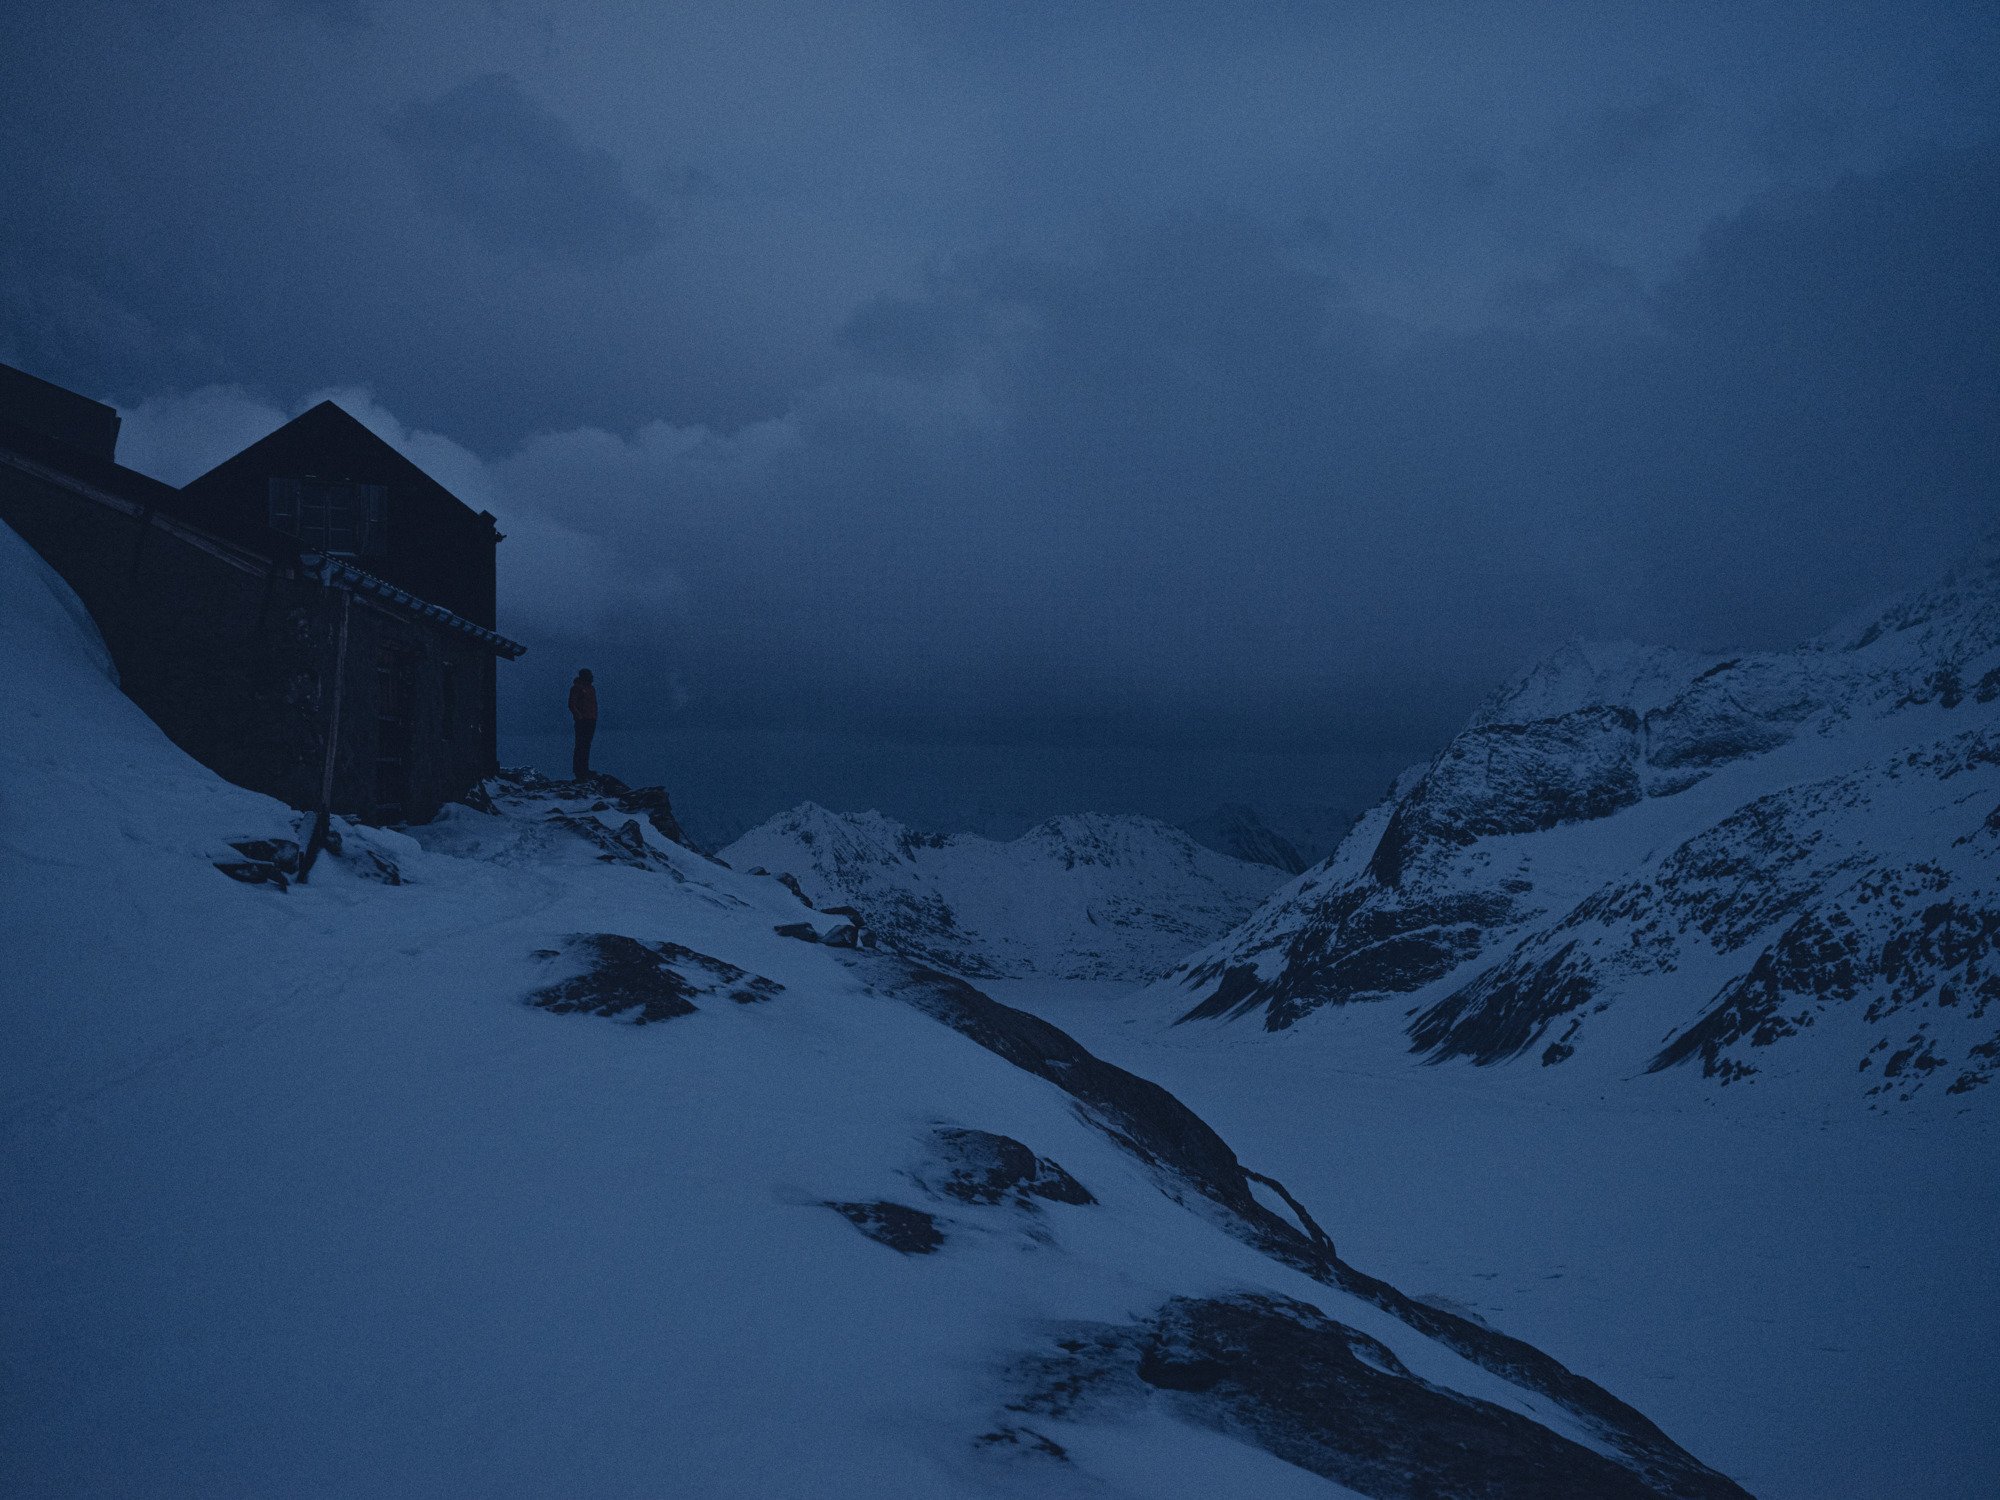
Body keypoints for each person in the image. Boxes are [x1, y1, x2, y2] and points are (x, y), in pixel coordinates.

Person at [568, 668, 598, 780]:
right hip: (583, 721)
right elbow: (571, 704)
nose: (592, 677)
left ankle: (584, 769)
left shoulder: (591, 688)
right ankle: (579, 771)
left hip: (591, 720)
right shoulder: (576, 688)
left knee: (586, 745)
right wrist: (579, 717)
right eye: (590, 675)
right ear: (585, 676)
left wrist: (593, 717)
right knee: (580, 745)